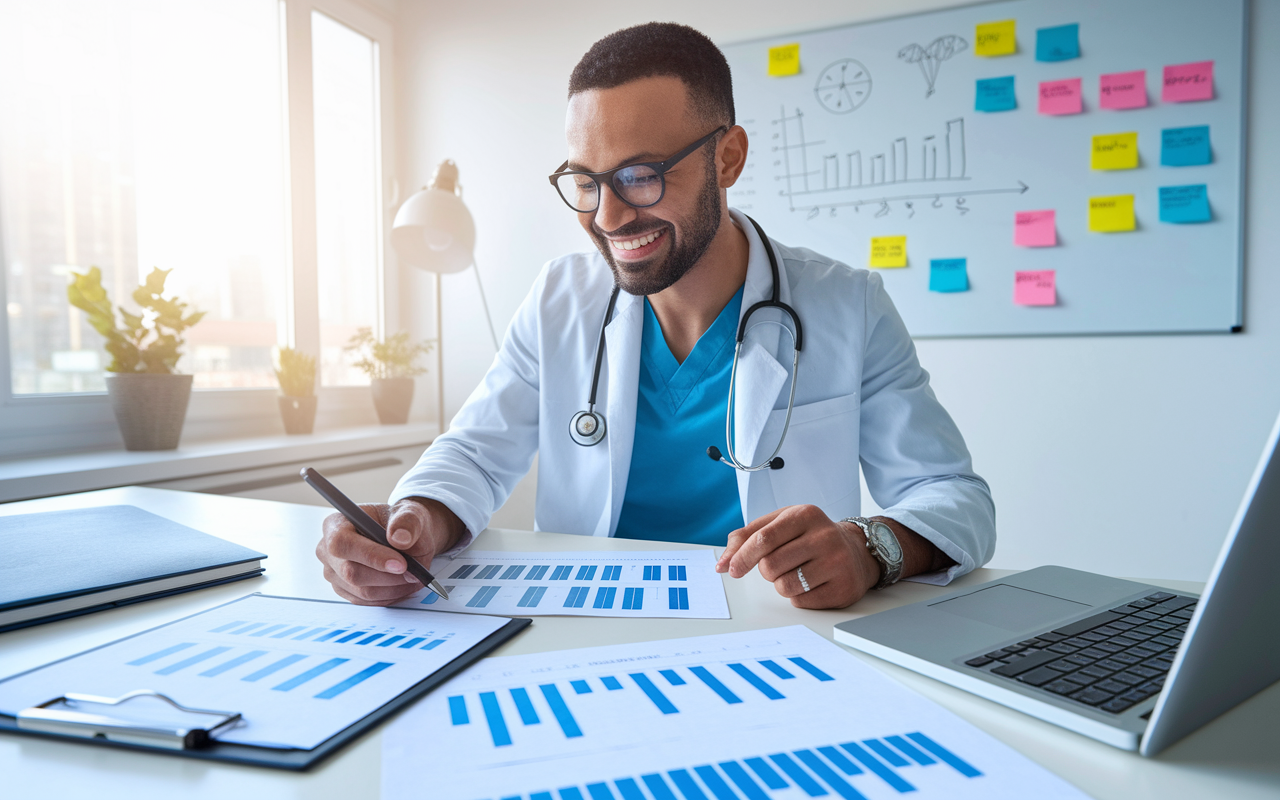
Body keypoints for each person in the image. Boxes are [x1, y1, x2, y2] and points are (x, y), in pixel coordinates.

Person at [316, 22, 995, 611]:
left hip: (779, 636)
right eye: (585, 181)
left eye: (640, 175)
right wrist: (415, 523)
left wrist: (872, 548)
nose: (607, 217)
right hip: (589, 627)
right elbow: (474, 451)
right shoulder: (560, 298)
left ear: (726, 158)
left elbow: (954, 497)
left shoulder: (847, 304)